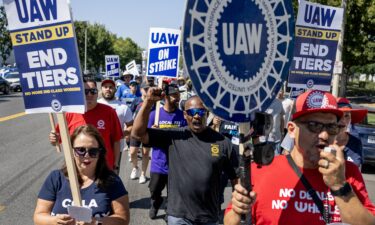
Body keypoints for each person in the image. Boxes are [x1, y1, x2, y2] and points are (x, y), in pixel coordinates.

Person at [224, 90, 375, 225]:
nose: (324, 135)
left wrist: (339, 186)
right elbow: (231, 220)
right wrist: (238, 211)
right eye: (314, 125)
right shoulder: (261, 171)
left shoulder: (348, 172)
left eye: (331, 127)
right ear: (291, 130)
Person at [132, 91, 238, 225]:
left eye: (200, 112)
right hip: (179, 216)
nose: (196, 116)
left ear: (207, 113)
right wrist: (148, 104)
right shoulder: (174, 136)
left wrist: (236, 208)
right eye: (192, 112)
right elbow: (137, 134)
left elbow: (236, 178)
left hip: (209, 216)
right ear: (185, 115)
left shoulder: (223, 143)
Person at [35, 125, 130, 225]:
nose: (86, 155)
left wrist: (95, 222)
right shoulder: (55, 178)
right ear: (71, 151)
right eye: (80, 150)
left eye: (93, 151)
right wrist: (55, 221)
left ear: (100, 152)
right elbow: (39, 216)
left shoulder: (112, 180)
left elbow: (123, 219)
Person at [49, 78, 123, 171]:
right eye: (85, 91)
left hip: (104, 169)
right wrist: (53, 139)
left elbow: (116, 140)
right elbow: (57, 139)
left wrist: (116, 164)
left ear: (97, 93)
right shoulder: (70, 113)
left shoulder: (109, 112)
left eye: (93, 91)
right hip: (78, 169)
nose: (89, 94)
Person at [147, 84, 187, 220]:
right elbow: (145, 137)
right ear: (165, 96)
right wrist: (152, 131)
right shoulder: (154, 115)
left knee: (174, 192)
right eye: (174, 95)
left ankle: (169, 210)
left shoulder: (183, 116)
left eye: (178, 94)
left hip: (177, 163)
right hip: (158, 162)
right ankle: (155, 202)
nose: (177, 97)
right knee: (154, 189)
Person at [98, 78, 134, 166]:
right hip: (97, 147)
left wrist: (122, 134)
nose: (108, 89)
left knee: (113, 174)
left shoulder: (123, 107)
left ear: (115, 89)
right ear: (101, 89)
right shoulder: (95, 104)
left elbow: (131, 126)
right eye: (105, 87)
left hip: (116, 148)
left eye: (111, 87)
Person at [335, 97, 368, 167]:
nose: (343, 120)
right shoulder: (323, 141)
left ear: (350, 119)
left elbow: (358, 172)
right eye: (339, 115)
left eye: (347, 116)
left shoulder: (356, 143)